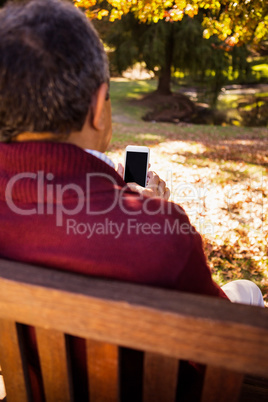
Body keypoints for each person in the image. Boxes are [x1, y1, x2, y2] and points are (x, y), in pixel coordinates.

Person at [0, 0, 264, 401]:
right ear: (98, 104)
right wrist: (152, 216)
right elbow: (216, 349)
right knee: (246, 293)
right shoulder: (162, 235)